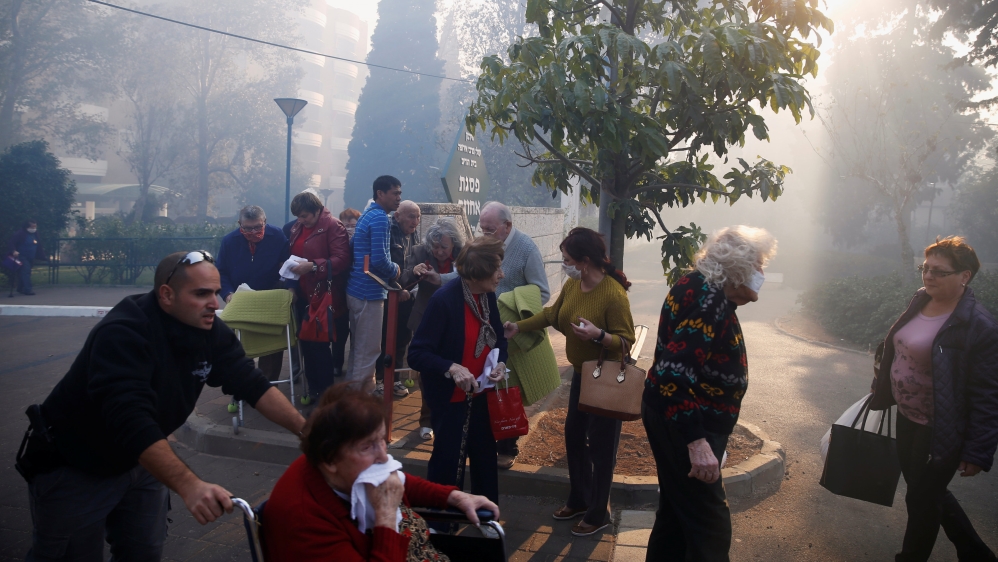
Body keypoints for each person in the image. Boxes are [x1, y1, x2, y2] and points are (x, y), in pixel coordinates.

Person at [15, 250, 307, 561]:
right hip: (77, 465)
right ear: (166, 295)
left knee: (143, 551)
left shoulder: (208, 328)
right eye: (201, 294)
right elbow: (130, 419)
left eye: (216, 292)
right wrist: (189, 485)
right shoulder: (123, 333)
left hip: (141, 461)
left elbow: (253, 384)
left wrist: (307, 431)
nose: (215, 304)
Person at [641, 225, 775, 561]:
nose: (762, 273)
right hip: (685, 424)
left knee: (674, 516)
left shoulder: (701, 287)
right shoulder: (709, 302)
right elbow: (672, 375)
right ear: (737, 269)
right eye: (758, 265)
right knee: (710, 528)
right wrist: (697, 443)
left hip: (671, 418)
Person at [870, 236, 998, 562]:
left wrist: (976, 450)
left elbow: (987, 393)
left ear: (964, 276)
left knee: (921, 499)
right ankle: (976, 553)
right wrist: (882, 385)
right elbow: (898, 346)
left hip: (940, 427)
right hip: (907, 416)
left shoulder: (978, 326)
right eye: (925, 268)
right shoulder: (920, 300)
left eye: (939, 272)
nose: (928, 276)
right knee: (926, 491)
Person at [262, 384, 500, 561]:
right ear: (330, 459)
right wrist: (386, 515)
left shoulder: (346, 470)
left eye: (382, 440)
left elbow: (400, 480)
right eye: (368, 446)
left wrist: (456, 497)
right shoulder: (305, 523)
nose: (384, 456)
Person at [503, 227, 634, 537]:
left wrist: (598, 335)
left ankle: (599, 511)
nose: (563, 264)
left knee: (601, 448)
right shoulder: (574, 287)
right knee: (574, 436)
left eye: (566, 259)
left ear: (584, 261)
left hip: (604, 379)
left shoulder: (613, 294)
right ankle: (579, 498)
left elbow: (626, 341)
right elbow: (551, 315)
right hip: (581, 375)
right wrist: (517, 327)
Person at [408, 237, 509, 505]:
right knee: (448, 462)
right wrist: (451, 367)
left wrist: (500, 363)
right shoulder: (445, 301)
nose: (502, 274)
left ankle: (487, 516)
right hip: (450, 400)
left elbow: (498, 338)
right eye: (497, 268)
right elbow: (417, 354)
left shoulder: (486, 296)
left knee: (485, 459)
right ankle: (441, 522)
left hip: (481, 394)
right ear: (478, 272)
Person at [479, 201, 552, 469]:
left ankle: (508, 446)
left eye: (490, 229)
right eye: (482, 229)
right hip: (482, 326)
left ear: (507, 226)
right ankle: (485, 441)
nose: (485, 234)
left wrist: (511, 307)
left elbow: (541, 292)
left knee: (508, 388)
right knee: (485, 384)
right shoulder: (485, 246)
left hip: (510, 329)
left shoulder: (526, 248)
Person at [287, 192, 352, 401]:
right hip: (303, 292)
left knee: (319, 344)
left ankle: (326, 394)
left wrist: (314, 265)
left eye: (305, 216)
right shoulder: (298, 227)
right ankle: (314, 388)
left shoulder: (333, 226)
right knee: (306, 341)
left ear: (317, 211)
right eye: (298, 216)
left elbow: (342, 259)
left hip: (324, 295)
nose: (301, 220)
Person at [216, 205, 290, 381]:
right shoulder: (229, 241)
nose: (253, 232)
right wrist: (227, 293)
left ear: (265, 221)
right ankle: (241, 387)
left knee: (271, 346)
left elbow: (288, 265)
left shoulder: (277, 236)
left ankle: (268, 386)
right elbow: (221, 271)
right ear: (239, 224)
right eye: (247, 228)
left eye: (258, 227)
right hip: (241, 299)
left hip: (270, 297)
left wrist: (289, 288)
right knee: (240, 346)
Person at [407, 218, 465, 440]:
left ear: (454, 245)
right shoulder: (420, 251)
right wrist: (414, 272)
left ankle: (450, 414)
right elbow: (402, 280)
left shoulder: (464, 254)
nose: (439, 251)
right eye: (436, 247)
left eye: (444, 247)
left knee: (454, 366)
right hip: (425, 318)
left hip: (455, 319)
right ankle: (426, 419)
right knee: (427, 371)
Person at [346, 176, 403, 393]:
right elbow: (379, 260)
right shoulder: (380, 218)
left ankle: (351, 399)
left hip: (356, 289)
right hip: (369, 291)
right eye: (395, 193)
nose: (399, 198)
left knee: (358, 350)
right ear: (380, 193)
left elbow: (354, 248)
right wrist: (395, 270)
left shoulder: (367, 215)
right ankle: (360, 406)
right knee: (369, 351)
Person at [375, 200, 421, 399]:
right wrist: (397, 288)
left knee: (403, 338)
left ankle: (394, 380)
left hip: (408, 293)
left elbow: (414, 263)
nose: (415, 221)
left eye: (418, 217)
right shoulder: (388, 232)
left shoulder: (414, 234)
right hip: (388, 294)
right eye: (411, 216)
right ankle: (379, 380)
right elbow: (382, 265)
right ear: (398, 216)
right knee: (384, 339)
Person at [7, 219, 42, 296]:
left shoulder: (35, 234)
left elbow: (38, 244)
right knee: (26, 271)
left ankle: (20, 288)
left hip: (31, 256)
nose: (34, 228)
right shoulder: (20, 234)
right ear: (27, 227)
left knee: (26, 272)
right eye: (32, 227)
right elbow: (11, 242)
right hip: (21, 256)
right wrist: (13, 251)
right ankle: (28, 289)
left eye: (35, 226)